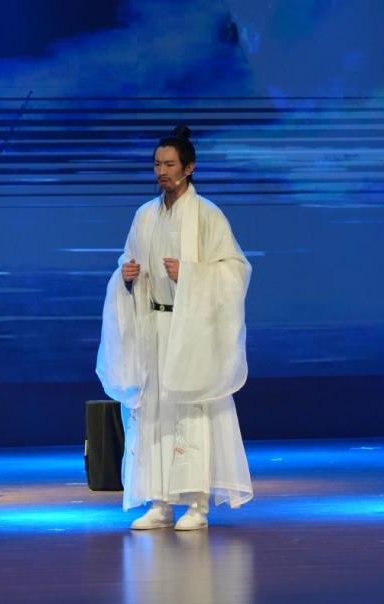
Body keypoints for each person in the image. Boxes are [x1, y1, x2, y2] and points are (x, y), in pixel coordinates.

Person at [96, 126, 253, 531]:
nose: (162, 172)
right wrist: (125, 276)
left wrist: (192, 275)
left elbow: (236, 270)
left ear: (189, 168)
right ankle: (159, 501)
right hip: (152, 328)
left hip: (191, 328)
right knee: (153, 412)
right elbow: (127, 261)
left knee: (191, 410)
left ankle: (197, 504)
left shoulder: (207, 215)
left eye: (169, 164)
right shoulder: (144, 215)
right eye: (157, 164)